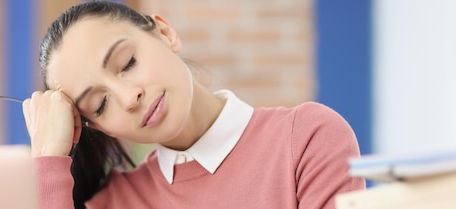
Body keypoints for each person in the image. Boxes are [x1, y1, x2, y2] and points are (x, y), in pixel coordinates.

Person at [22, 1, 365, 208]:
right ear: (95, 127)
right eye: (99, 105)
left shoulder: (305, 140)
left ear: (165, 33)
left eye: (127, 63)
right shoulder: (114, 203)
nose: (129, 98)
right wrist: (48, 158)